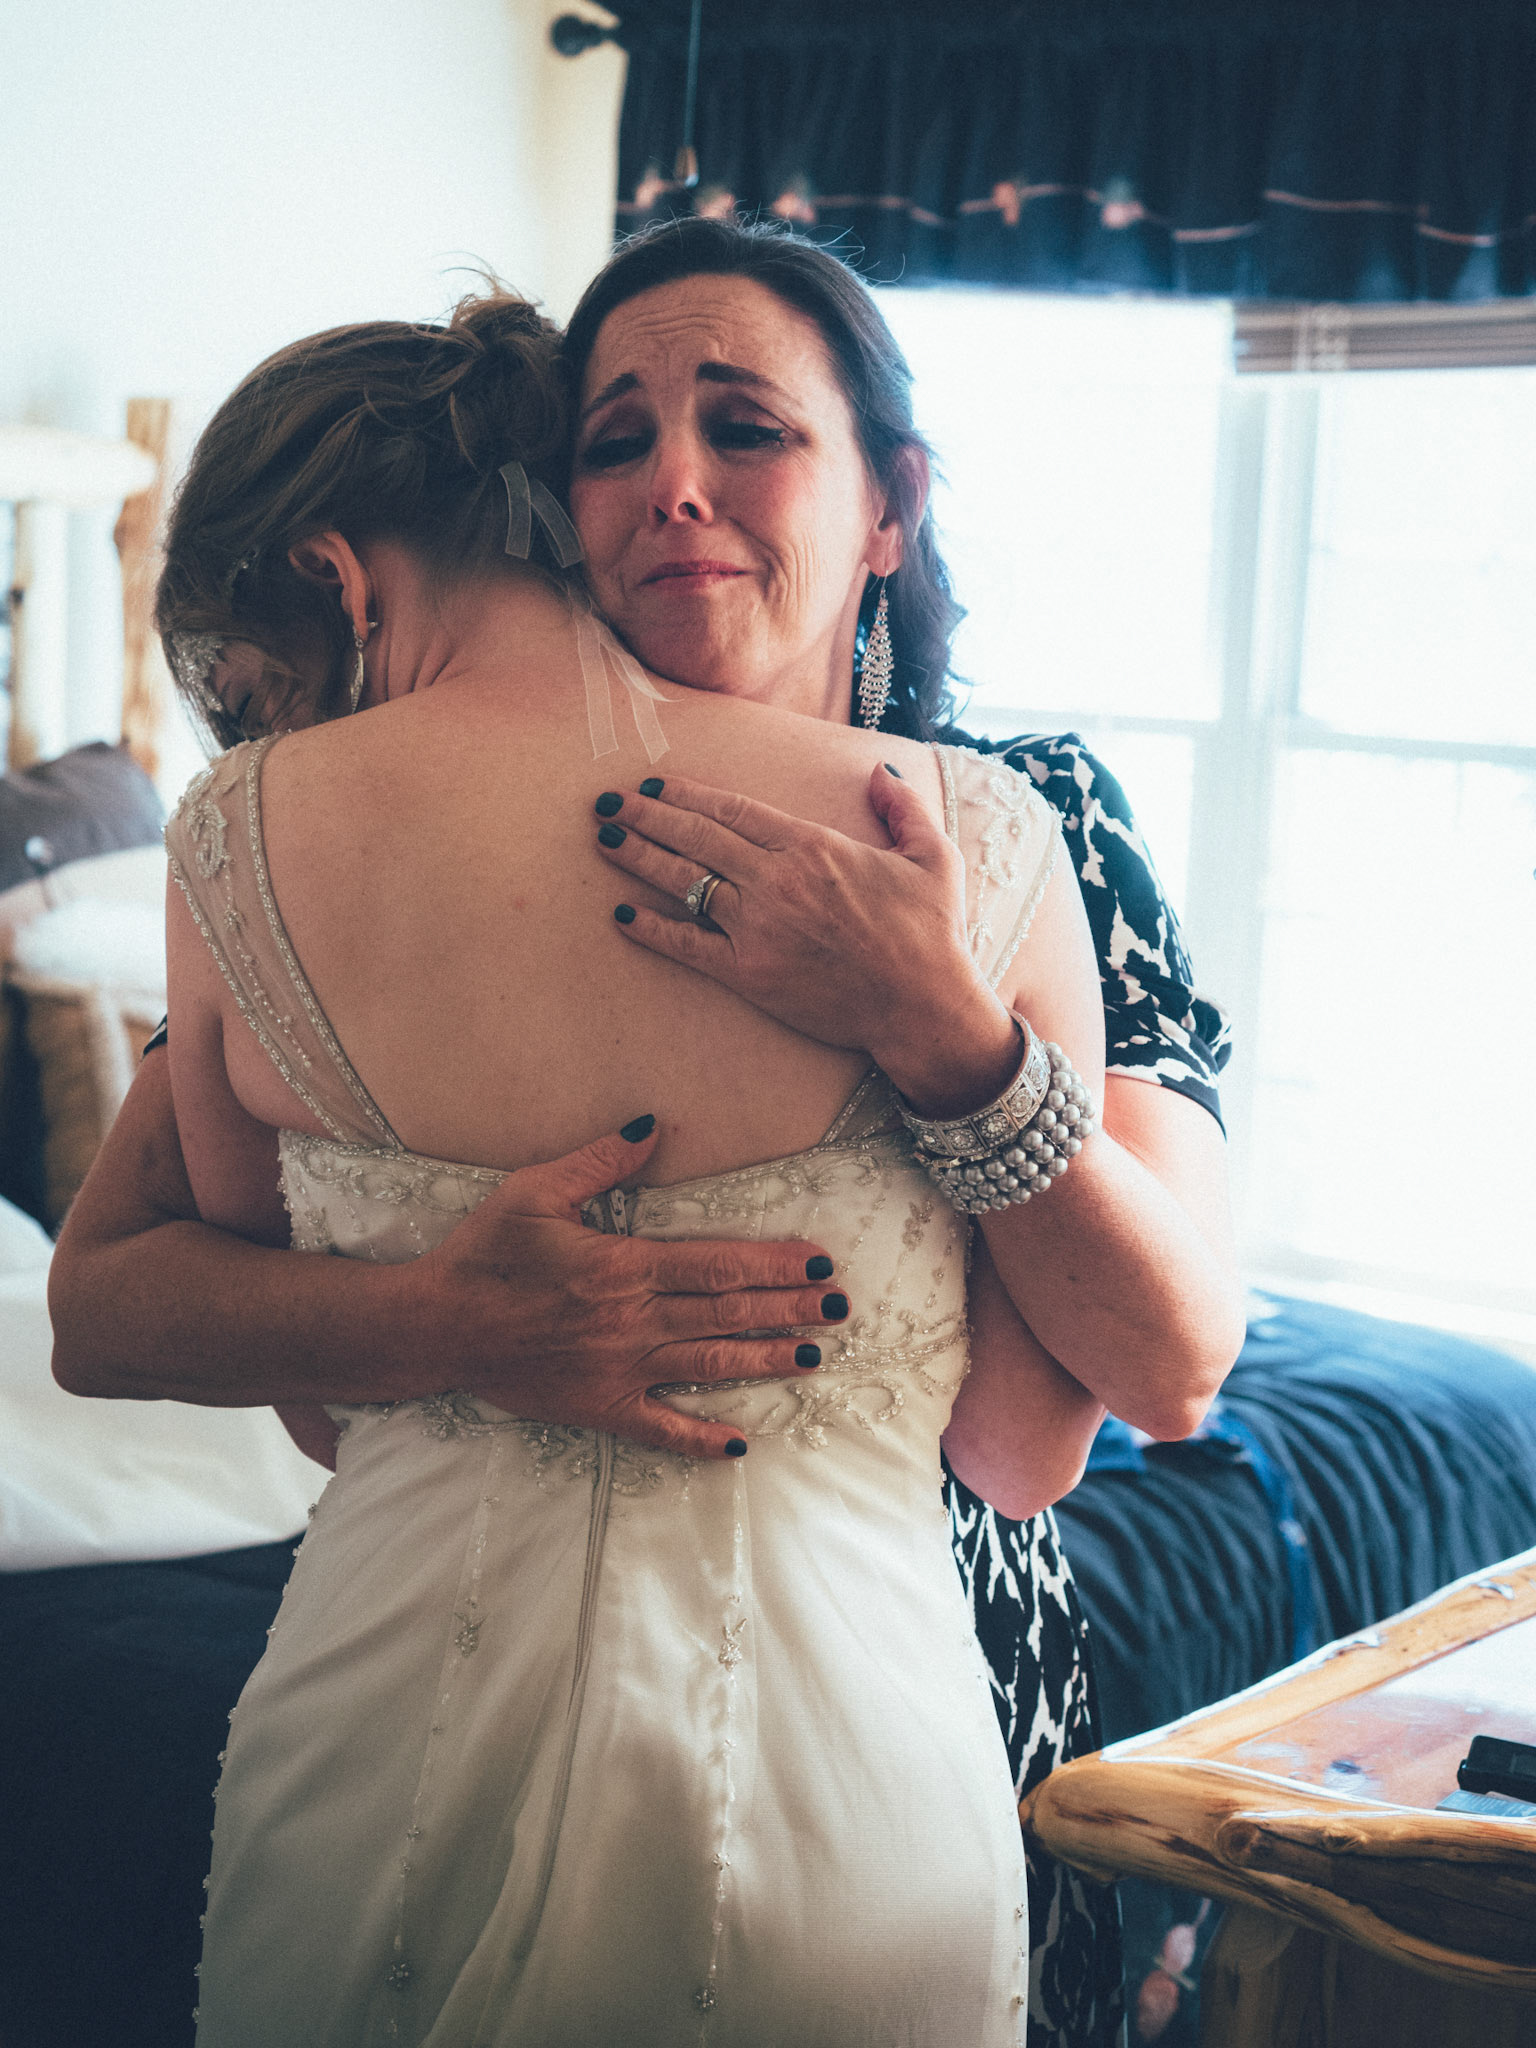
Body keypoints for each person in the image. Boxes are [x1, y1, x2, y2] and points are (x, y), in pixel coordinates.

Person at [51, 224, 1243, 2043]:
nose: (676, 485)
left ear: (890, 505)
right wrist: (448, 1317)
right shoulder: (305, 857)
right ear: (554, 506)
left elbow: (1151, 1376)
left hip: (938, 1666)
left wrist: (944, 1038)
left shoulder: (1034, 825)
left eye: (747, 427)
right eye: (615, 442)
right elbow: (124, 1292)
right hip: (696, 1729)